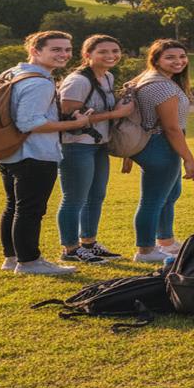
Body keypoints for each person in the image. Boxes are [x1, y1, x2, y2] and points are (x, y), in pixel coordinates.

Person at [0, 31, 94, 275]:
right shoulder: (39, 82)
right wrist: (74, 125)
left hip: (8, 151)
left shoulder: (12, 73)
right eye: (56, 49)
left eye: (67, 49)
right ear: (35, 51)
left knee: (14, 206)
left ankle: (12, 258)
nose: (64, 54)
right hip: (35, 154)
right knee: (30, 209)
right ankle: (30, 262)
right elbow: (30, 123)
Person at [56, 34, 135, 263]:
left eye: (115, 51)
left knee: (96, 196)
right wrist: (115, 114)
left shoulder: (108, 77)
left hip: (99, 145)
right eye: (103, 52)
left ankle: (88, 243)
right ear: (87, 55)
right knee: (74, 198)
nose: (111, 56)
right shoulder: (78, 81)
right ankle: (70, 249)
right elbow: (68, 118)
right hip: (77, 146)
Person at [128, 39, 194, 263]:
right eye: (170, 57)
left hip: (156, 144)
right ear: (156, 59)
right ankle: (146, 251)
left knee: (168, 196)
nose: (178, 61)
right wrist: (189, 159)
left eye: (182, 56)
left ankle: (166, 242)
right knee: (153, 200)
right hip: (160, 144)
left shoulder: (150, 79)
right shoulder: (162, 86)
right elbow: (171, 128)